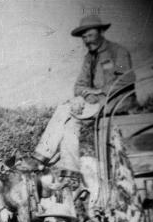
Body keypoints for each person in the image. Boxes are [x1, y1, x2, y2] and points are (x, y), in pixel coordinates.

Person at [31, 15, 134, 176]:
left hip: (117, 102)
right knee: (70, 124)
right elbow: (79, 85)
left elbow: (126, 79)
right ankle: (70, 171)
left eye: (90, 35)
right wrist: (81, 97)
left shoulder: (117, 52)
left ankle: (40, 156)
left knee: (64, 109)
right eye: (84, 37)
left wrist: (99, 91)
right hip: (96, 103)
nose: (87, 40)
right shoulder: (89, 57)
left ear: (101, 32)